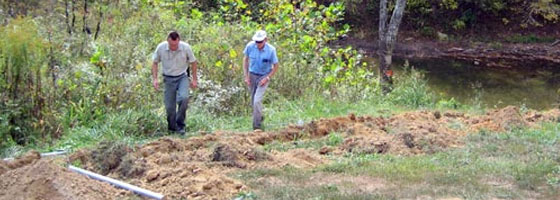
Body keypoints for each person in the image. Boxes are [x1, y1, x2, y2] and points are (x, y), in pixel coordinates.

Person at [152, 31, 198, 134]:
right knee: (169, 107)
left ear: (179, 41)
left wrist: (194, 79)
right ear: (167, 41)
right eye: (171, 45)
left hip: (182, 77)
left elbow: (193, 62)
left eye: (176, 45)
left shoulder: (185, 47)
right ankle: (172, 128)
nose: (174, 47)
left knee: (184, 98)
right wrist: (155, 79)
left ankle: (180, 125)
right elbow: (155, 63)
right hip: (168, 78)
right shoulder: (161, 48)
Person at [243, 30, 279, 130]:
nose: (258, 44)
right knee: (253, 101)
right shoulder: (250, 46)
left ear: (265, 40)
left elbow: (276, 66)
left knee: (257, 101)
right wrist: (246, 76)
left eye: (260, 42)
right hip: (252, 75)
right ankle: (260, 116)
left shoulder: (271, 50)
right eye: (256, 41)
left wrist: (267, 78)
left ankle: (256, 126)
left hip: (264, 76)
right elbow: (245, 60)